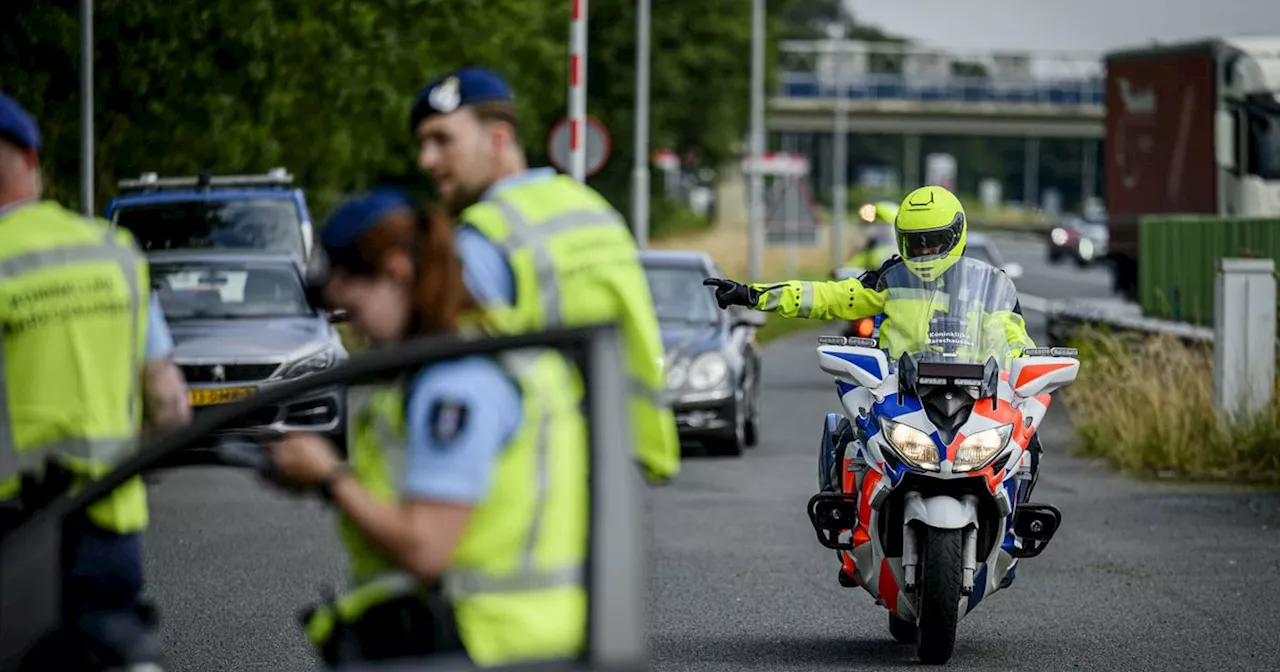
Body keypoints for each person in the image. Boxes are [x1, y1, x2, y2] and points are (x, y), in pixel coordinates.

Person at [265, 189, 590, 667]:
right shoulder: (497, 350)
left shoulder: (455, 385)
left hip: (475, 644)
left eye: (352, 312)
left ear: (397, 273)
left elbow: (427, 548)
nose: (355, 334)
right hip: (526, 641)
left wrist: (330, 477)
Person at [702, 186, 1045, 577]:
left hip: (973, 397)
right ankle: (849, 534)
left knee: (1027, 442)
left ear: (956, 236)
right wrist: (753, 295)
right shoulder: (889, 280)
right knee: (845, 435)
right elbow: (830, 296)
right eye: (917, 244)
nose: (927, 252)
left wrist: (1027, 367)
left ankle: (1011, 532)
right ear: (902, 241)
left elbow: (1015, 339)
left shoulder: (992, 290)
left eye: (935, 242)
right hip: (902, 394)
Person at [406, 67, 679, 485]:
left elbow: (454, 380)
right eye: (423, 144)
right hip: (616, 470)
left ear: (497, 140)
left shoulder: (484, 238)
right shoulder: (593, 210)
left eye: (442, 140)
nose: (427, 160)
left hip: (531, 478)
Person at [0, 92, 191, 670]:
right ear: (34, 160)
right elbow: (169, 404)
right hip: (110, 527)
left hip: (12, 534)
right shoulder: (114, 251)